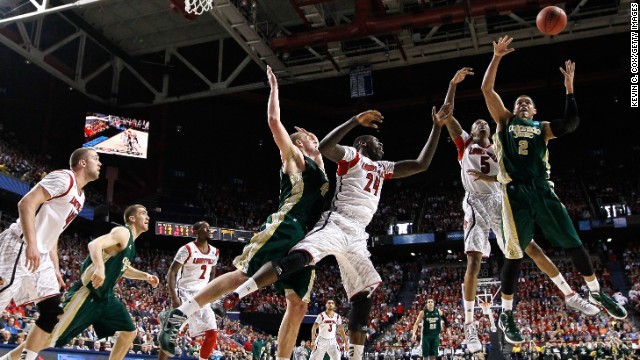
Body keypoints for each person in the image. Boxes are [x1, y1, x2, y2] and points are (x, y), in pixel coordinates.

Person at [214, 100, 449, 360]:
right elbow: (325, 148)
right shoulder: (353, 156)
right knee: (300, 258)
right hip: (337, 222)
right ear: (362, 144)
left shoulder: (383, 168)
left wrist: (437, 127)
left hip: (359, 235)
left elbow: (421, 163)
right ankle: (237, 294)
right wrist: (354, 121)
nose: (381, 144)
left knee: (364, 292)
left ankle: (357, 356)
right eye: (375, 141)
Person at [158, 65, 330, 360]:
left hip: (307, 240)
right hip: (285, 226)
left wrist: (315, 148)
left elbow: (320, 167)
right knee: (242, 275)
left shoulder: (319, 168)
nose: (316, 141)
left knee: (298, 304)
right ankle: (178, 316)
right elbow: (274, 121)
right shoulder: (294, 158)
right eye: (311, 141)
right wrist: (274, 88)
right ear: (299, 144)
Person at [480, 35, 627, 339]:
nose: (523, 104)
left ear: (533, 111)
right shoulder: (504, 121)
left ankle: (596, 292)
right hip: (514, 192)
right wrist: (496, 57)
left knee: (572, 242)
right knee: (514, 254)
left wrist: (569, 87)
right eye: (520, 102)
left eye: (528, 103)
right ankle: (507, 316)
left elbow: (571, 123)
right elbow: (486, 89)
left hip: (542, 189)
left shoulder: (542, 128)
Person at [441, 67, 598, 348]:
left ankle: (570, 293)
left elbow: (508, 174)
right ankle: (468, 325)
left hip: (502, 200)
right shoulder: (464, 145)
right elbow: (447, 114)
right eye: (476, 123)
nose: (480, 125)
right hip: (476, 203)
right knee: (474, 261)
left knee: (531, 249)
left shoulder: (502, 146)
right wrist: (453, 84)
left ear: (490, 128)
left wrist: (491, 176)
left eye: (483, 123)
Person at [1, 204, 159, 360]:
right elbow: (94, 245)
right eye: (143, 213)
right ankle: (9, 358)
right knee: (49, 338)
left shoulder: (130, 245)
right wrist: (99, 268)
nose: (148, 217)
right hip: (88, 294)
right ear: (132, 218)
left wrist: (146, 276)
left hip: (105, 297)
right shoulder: (123, 232)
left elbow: (124, 268)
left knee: (129, 332)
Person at [0, 148, 101, 360]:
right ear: (82, 163)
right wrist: (31, 243)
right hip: (19, 245)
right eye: (95, 158)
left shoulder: (81, 197)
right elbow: (26, 203)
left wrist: (55, 268)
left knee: (53, 312)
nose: (100, 163)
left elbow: (54, 233)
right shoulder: (64, 178)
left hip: (41, 255)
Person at [159, 221, 219, 360]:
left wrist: (210, 290)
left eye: (209, 228)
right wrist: (174, 297)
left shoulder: (215, 252)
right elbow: (172, 273)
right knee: (170, 334)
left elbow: (212, 273)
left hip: (203, 294)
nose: (208, 230)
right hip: (185, 293)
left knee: (212, 333)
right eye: (205, 228)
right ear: (195, 232)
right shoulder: (187, 249)